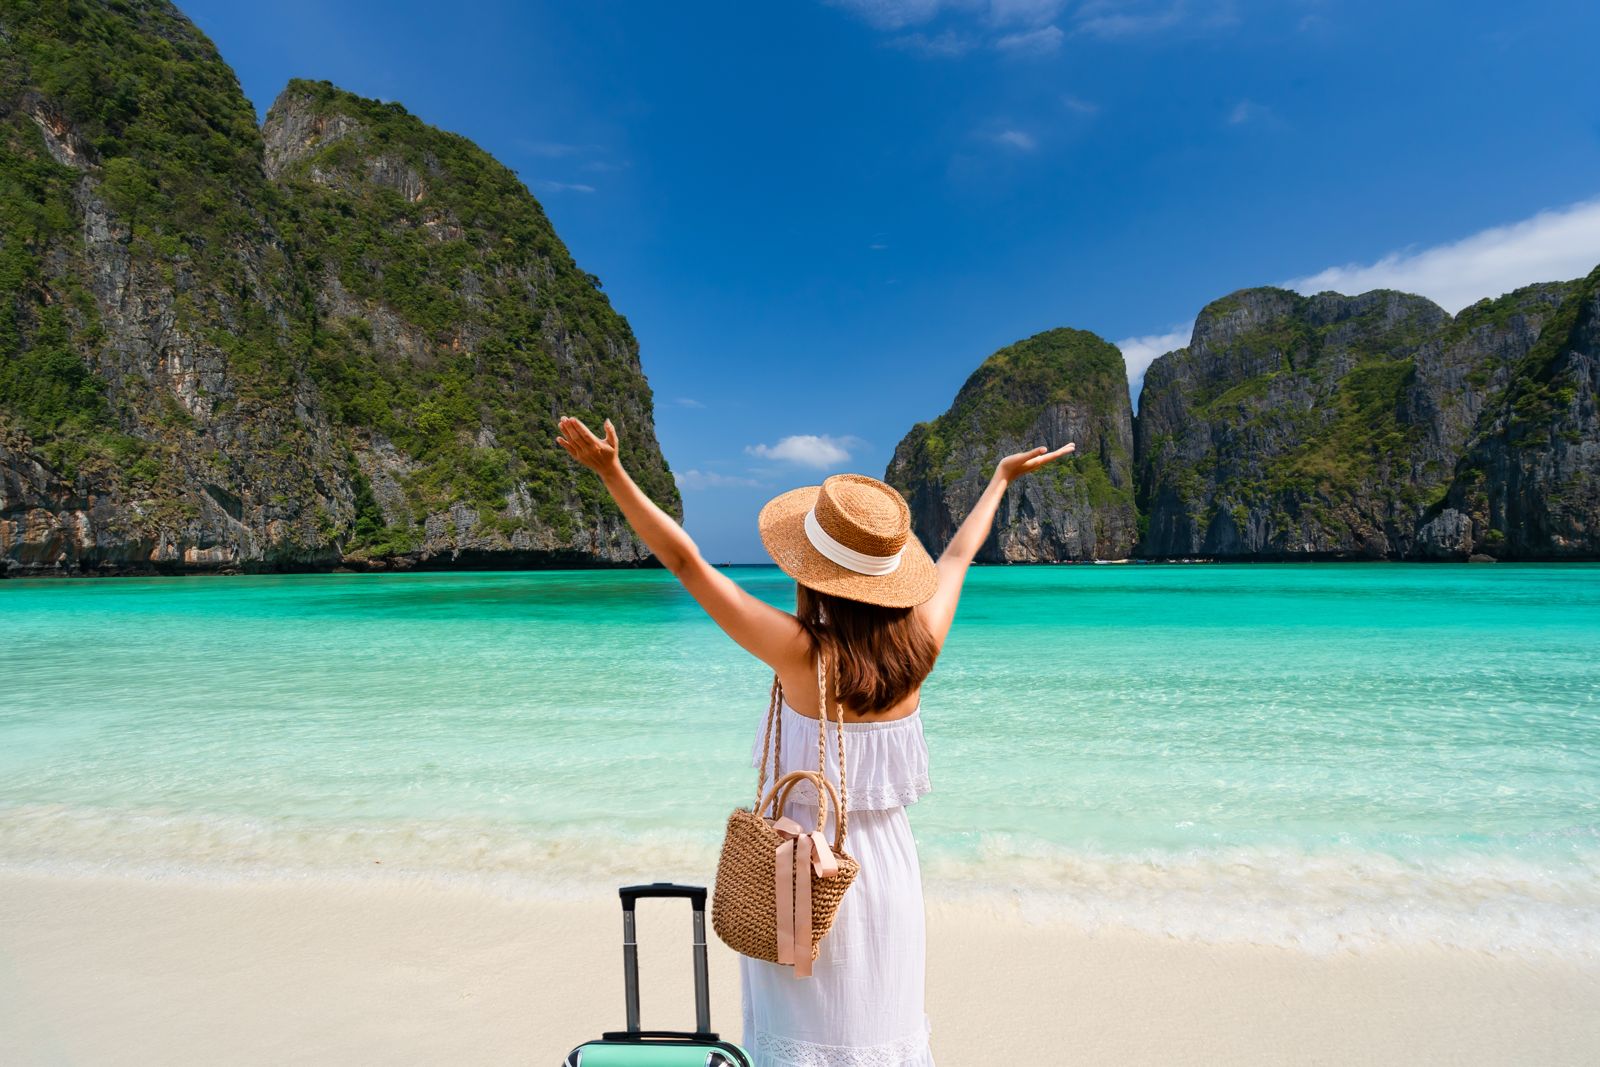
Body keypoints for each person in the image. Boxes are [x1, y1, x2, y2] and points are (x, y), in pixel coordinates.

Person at [556, 414, 1075, 1067]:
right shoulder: (922, 647)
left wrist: (612, 473)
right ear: (890, 578)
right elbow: (959, 556)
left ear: (813, 573)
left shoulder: (801, 654)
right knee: (879, 1033)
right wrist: (999, 479)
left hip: (799, 878)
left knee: (801, 1041)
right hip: (885, 872)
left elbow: (687, 563)